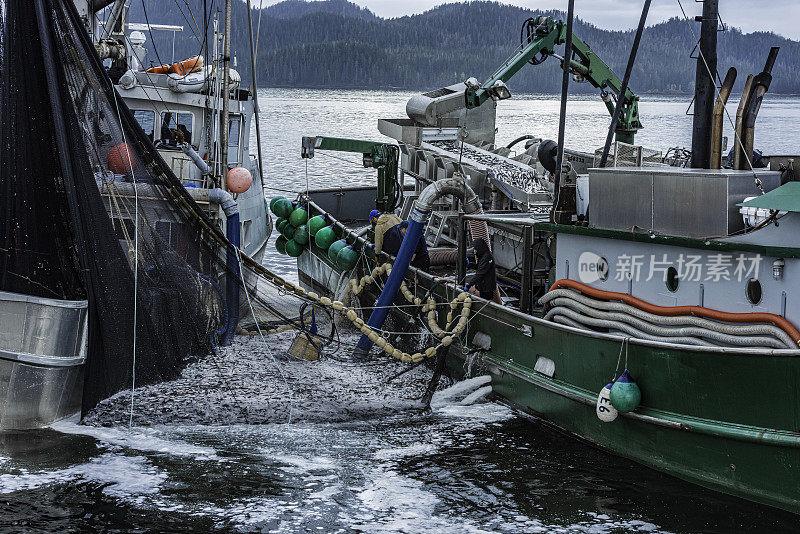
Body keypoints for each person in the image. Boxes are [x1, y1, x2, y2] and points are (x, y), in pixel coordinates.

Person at [468, 238, 501, 303]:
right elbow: (479, 267)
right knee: (484, 299)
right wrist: (470, 264)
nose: (474, 251)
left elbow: (481, 273)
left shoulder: (487, 257)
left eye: (475, 249)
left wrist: (470, 284)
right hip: (483, 286)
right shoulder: (483, 256)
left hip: (487, 287)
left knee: (486, 301)